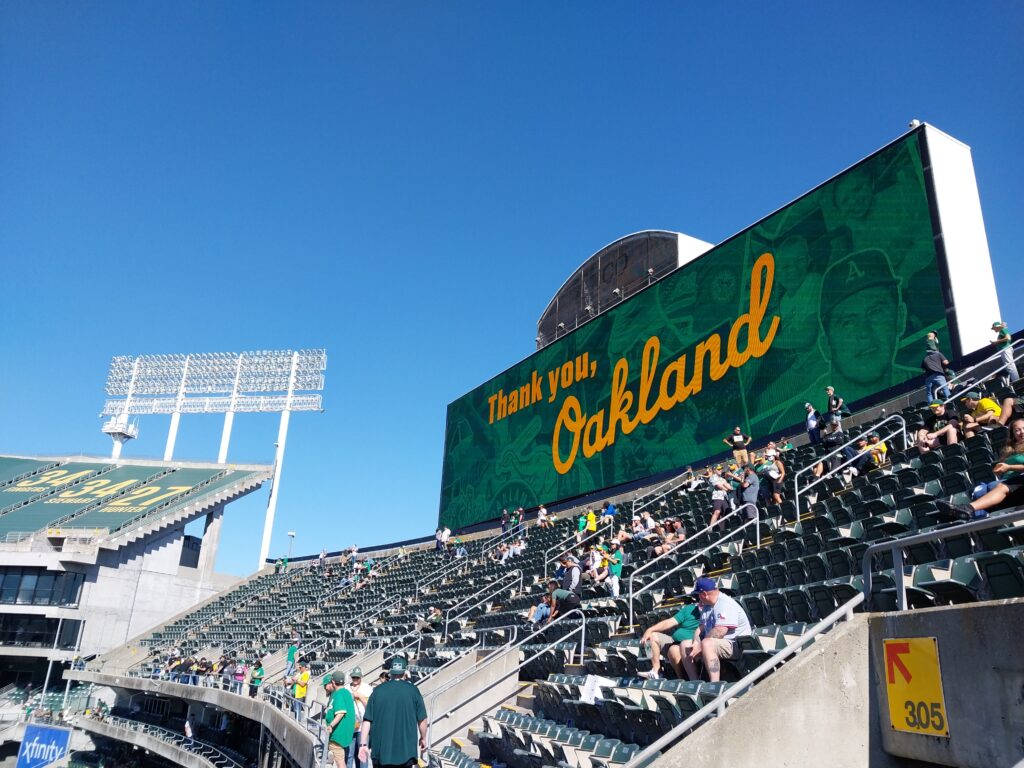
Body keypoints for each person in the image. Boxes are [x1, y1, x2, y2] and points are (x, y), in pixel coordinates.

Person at [358, 654, 428, 768]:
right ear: (405, 672)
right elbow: (422, 720)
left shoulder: (377, 691)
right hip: (406, 752)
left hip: (381, 751)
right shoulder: (413, 690)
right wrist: (423, 737)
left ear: (391, 672)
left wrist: (363, 744)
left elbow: (367, 720)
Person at [687, 577, 752, 683]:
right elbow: (700, 629)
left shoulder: (725, 603)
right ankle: (694, 681)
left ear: (704, 594)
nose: (698, 598)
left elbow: (720, 631)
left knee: (707, 644)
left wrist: (700, 646)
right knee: (685, 645)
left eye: (698, 594)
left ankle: (714, 684)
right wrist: (695, 643)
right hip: (721, 643)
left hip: (737, 644)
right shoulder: (707, 606)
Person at [638, 598, 702, 680]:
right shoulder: (690, 608)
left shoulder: (709, 612)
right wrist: (649, 630)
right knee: (650, 637)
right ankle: (656, 671)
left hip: (690, 644)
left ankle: (681, 679)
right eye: (699, 599)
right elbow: (669, 622)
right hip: (674, 641)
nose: (701, 602)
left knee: (673, 650)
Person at [324, 670, 357, 767]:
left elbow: (341, 712)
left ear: (333, 682)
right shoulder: (346, 692)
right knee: (339, 760)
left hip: (338, 735)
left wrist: (330, 725)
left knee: (340, 761)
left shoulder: (339, 694)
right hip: (342, 734)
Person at [347, 667, 373, 768]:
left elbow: (370, 707)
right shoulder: (346, 688)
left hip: (363, 726)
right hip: (350, 725)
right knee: (349, 755)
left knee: (362, 756)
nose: (355, 679)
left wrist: (360, 696)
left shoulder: (367, 688)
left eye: (357, 677)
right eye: (353, 677)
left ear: (361, 677)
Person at [990, 321, 1019, 385]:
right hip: (1005, 349)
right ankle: (1016, 380)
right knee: (1009, 366)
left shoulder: (1002, 329)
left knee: (1010, 365)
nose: (993, 329)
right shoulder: (1002, 331)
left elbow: (1008, 338)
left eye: (993, 328)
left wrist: (996, 342)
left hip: (1005, 349)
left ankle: (1016, 380)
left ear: (996, 327)